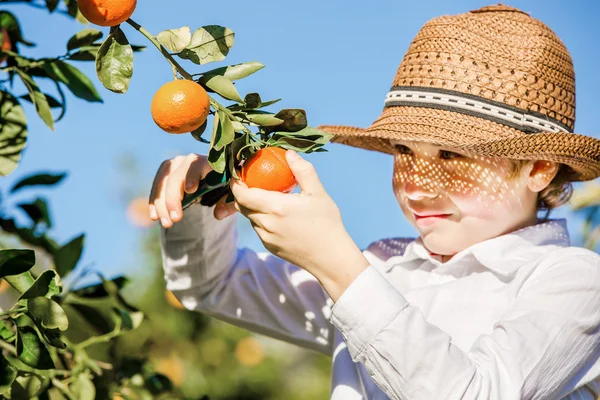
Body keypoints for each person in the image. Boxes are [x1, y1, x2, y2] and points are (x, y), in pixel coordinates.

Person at [148, 4, 600, 399]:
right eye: (405, 152)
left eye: (451, 155)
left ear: (539, 168)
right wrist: (199, 200)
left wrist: (337, 265)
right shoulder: (388, 267)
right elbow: (213, 285)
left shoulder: (575, 283)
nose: (417, 185)